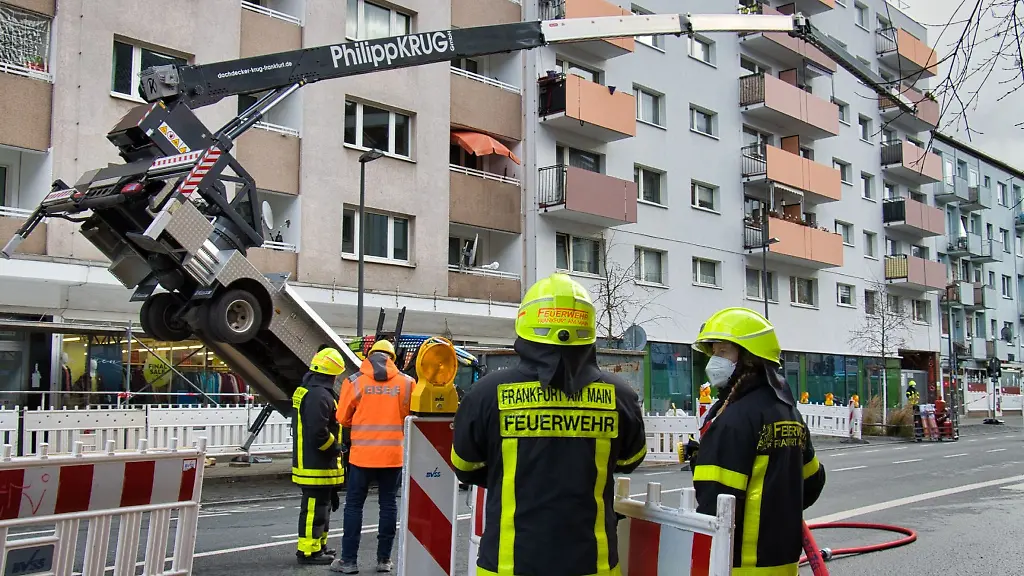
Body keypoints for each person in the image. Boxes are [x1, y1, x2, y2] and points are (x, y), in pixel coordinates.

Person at [451, 273, 648, 576]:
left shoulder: (485, 394)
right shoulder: (620, 396)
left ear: (525, 325)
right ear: (588, 331)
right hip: (593, 565)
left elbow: (465, 465)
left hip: (508, 566)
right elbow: (629, 460)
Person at [689, 307, 826, 575]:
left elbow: (715, 503)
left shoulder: (734, 419)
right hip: (785, 562)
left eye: (723, 352)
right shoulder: (789, 411)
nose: (714, 361)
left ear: (748, 358)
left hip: (741, 565)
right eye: (714, 353)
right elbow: (812, 482)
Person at [331, 339, 416, 574]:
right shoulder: (408, 383)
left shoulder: (354, 381)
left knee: (354, 507)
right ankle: (384, 561)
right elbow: (413, 417)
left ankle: (348, 561)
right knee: (388, 505)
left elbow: (342, 418)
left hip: (362, 458)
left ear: (369, 355)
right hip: (393, 457)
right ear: (393, 358)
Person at [292, 347, 346, 565]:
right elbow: (318, 433)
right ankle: (308, 552)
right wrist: (336, 448)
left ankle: (318, 546)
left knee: (321, 507)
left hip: (313, 462)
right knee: (314, 508)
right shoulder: (319, 395)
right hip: (317, 463)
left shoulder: (310, 390)